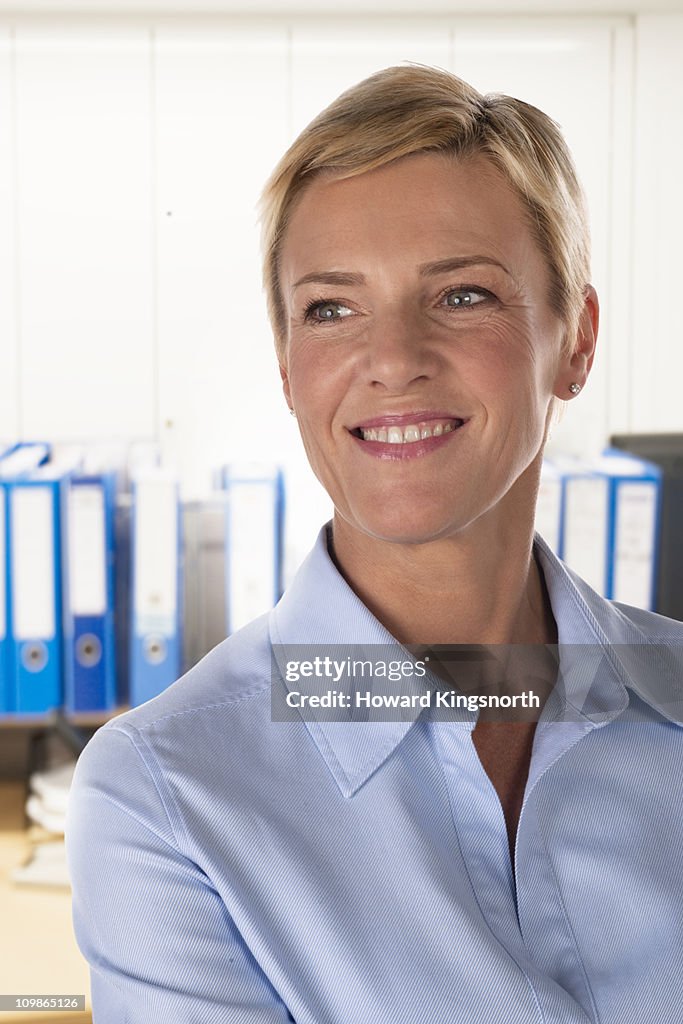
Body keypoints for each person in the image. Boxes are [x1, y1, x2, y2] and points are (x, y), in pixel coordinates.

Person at [66, 64, 683, 1023]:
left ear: (577, 340)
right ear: (286, 368)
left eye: (463, 295)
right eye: (331, 308)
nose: (392, 358)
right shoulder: (167, 793)